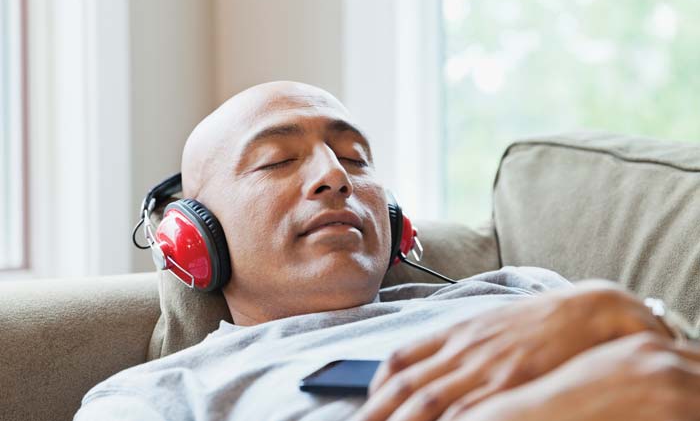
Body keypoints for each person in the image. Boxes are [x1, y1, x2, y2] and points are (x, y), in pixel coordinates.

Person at [74, 81, 700, 421]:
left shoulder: (520, 291)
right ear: (194, 238)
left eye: (354, 160)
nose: (334, 177)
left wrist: (656, 327)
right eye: (275, 160)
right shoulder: (157, 396)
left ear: (396, 223)